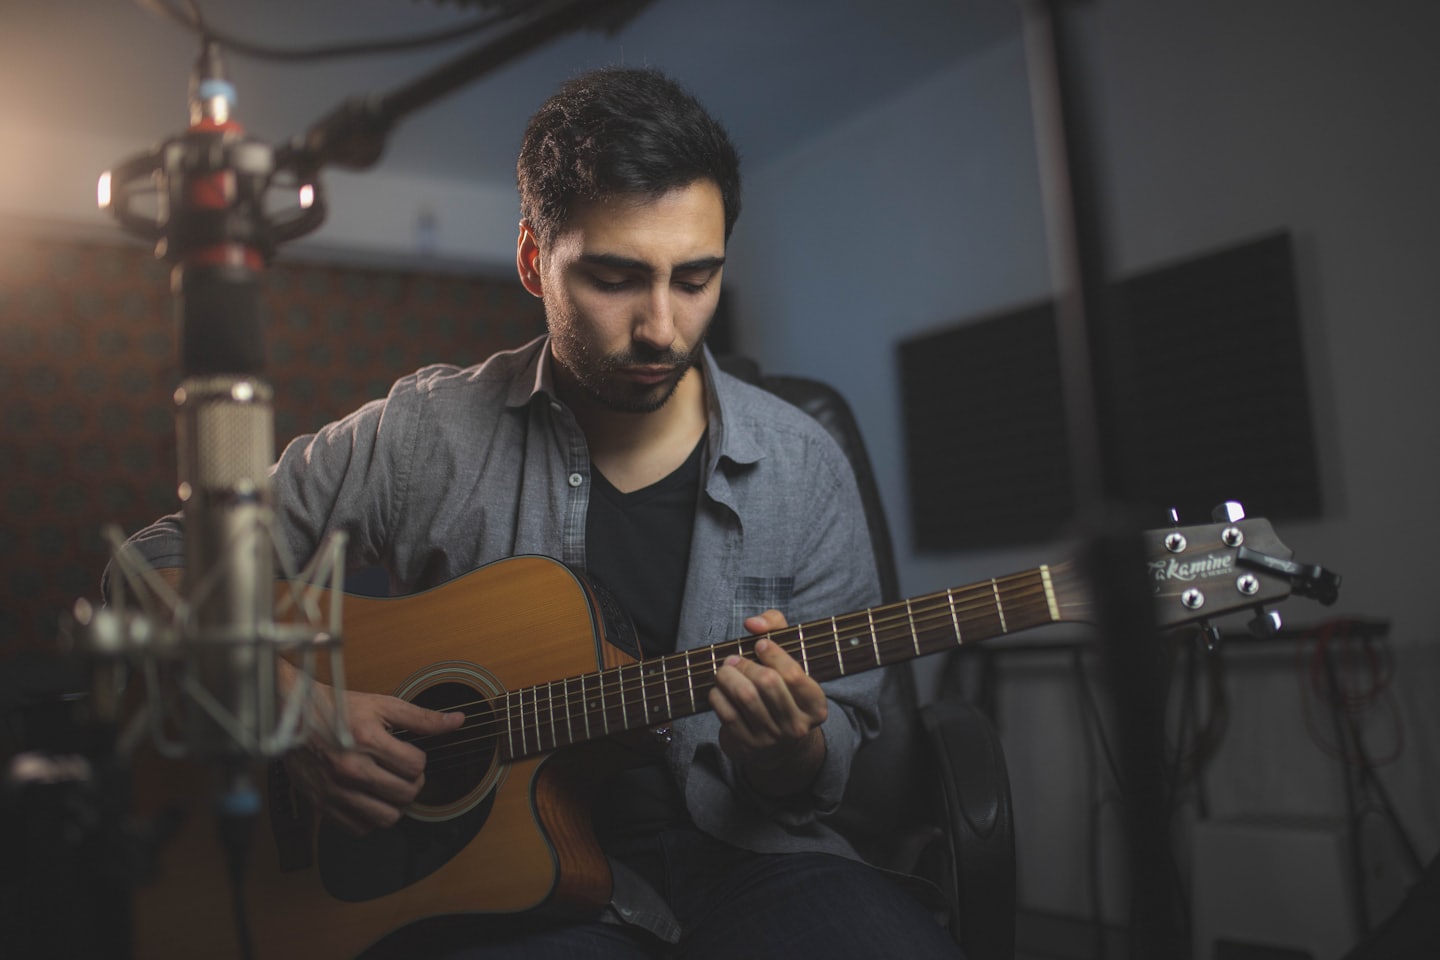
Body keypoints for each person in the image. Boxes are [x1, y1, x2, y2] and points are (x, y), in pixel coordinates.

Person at [118, 66, 962, 959]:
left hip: (756, 864)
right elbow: (153, 562)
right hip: (504, 892)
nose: (662, 328)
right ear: (533, 260)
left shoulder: (806, 465)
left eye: (695, 279)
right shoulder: (424, 432)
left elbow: (832, 756)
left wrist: (790, 754)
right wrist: (287, 706)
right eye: (616, 278)